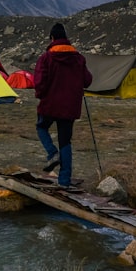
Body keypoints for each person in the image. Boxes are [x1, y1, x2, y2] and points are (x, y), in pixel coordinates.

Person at [33, 22, 93, 187]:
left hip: (50, 105)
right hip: (70, 108)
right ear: (66, 38)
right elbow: (87, 81)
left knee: (41, 127)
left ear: (52, 38)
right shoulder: (78, 58)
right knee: (65, 141)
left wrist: (41, 96)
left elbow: (39, 82)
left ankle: (53, 154)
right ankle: (64, 181)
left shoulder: (46, 58)